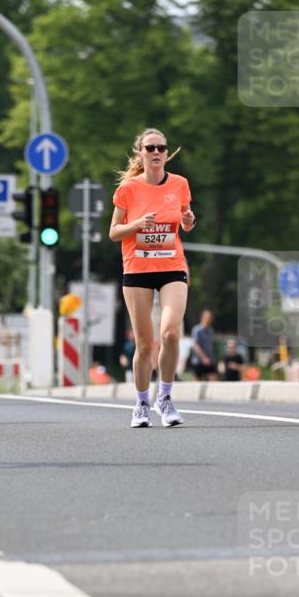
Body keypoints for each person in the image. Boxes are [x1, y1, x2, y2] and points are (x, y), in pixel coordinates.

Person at [109, 127, 195, 427]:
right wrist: (137, 224)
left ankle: (166, 397)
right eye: (151, 148)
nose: (157, 153)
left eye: (161, 148)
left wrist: (188, 220)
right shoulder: (129, 189)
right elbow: (113, 232)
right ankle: (142, 402)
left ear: (166, 153)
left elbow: (185, 222)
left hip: (172, 266)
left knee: (171, 333)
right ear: (141, 153)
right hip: (137, 269)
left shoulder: (180, 184)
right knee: (145, 345)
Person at [189, 309, 216, 380]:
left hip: (209, 360)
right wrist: (204, 358)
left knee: (213, 381)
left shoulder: (211, 330)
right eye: (206, 317)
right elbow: (195, 345)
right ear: (202, 318)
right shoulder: (196, 330)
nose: (208, 320)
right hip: (198, 361)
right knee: (197, 383)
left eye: (210, 318)